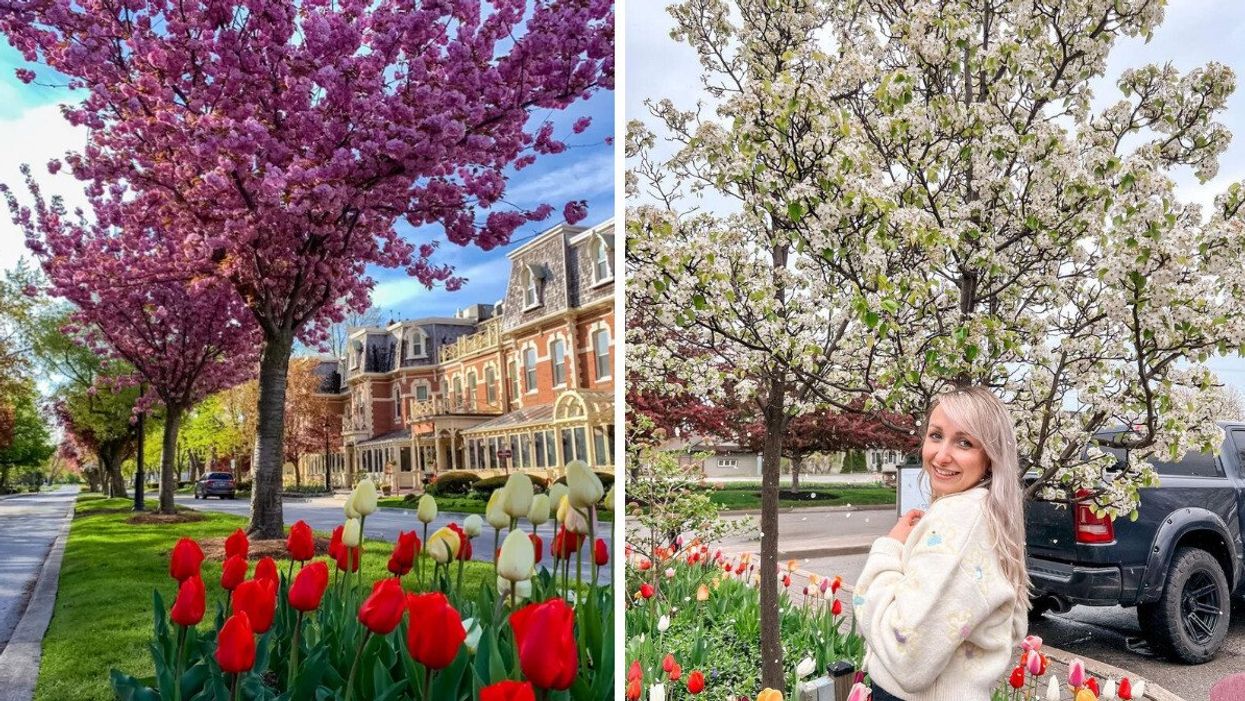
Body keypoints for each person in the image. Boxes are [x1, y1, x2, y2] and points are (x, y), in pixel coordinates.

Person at [853, 386, 1029, 701]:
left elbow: (907, 657)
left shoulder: (961, 518)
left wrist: (889, 549)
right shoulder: (987, 513)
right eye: (936, 435)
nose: (942, 455)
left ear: (990, 456)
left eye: (964, 442)